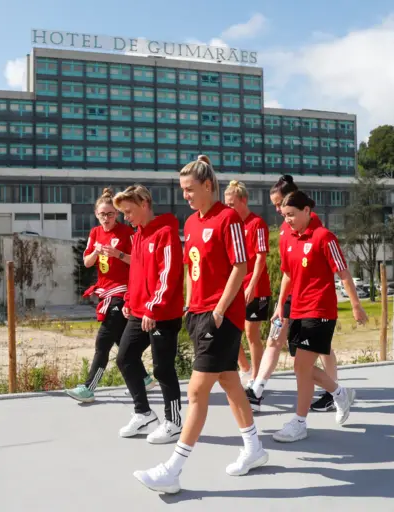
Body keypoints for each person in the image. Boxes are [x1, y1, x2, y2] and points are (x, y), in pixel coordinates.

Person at [133, 155, 268, 494]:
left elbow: (241, 266)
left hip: (221, 317)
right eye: (182, 190)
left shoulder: (228, 220)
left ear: (208, 186)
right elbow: (194, 270)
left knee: (196, 391)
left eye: (190, 189)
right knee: (229, 381)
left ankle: (172, 469)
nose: (186, 196)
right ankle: (254, 448)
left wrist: (220, 310)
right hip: (198, 314)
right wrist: (190, 308)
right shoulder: (191, 223)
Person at [272, 190, 368, 442]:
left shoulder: (324, 237)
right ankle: (340, 393)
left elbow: (344, 273)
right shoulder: (288, 239)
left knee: (302, 367)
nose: (288, 220)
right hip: (298, 310)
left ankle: (299, 422)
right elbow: (288, 274)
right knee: (299, 367)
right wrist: (280, 306)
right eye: (285, 216)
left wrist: (356, 305)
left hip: (321, 310)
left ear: (307, 211)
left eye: (292, 215)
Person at [245, 175, 340, 413]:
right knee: (275, 337)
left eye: (280, 204)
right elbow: (287, 269)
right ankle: (257, 388)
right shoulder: (286, 228)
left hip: (312, 300)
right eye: (275, 206)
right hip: (290, 295)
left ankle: (332, 392)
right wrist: (280, 303)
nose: (278, 210)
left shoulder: (313, 225)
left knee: (322, 348)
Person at [65, 187, 154, 403]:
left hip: (122, 292)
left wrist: (118, 254)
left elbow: (138, 261)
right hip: (104, 292)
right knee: (118, 339)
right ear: (96, 215)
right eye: (102, 214)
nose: (106, 218)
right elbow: (86, 262)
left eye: (111, 214)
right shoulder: (95, 233)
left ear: (117, 214)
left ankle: (88, 387)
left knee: (103, 340)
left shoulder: (127, 233)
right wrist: (96, 251)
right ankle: (143, 378)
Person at [113, 185, 185, 444]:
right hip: (139, 310)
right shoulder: (139, 235)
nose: (126, 217)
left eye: (128, 211)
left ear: (144, 203)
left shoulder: (166, 232)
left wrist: (154, 307)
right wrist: (130, 301)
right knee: (125, 357)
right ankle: (143, 413)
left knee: (163, 369)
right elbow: (137, 273)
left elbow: (169, 274)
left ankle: (174, 422)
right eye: (123, 213)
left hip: (162, 312)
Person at [224, 180, 271, 388]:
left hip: (256, 287)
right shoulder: (231, 226)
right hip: (236, 286)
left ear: (244, 200)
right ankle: (245, 368)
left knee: (251, 333)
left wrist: (251, 285)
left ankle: (257, 379)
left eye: (232, 204)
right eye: (227, 205)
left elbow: (261, 258)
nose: (229, 209)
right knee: (229, 329)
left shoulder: (257, 223)